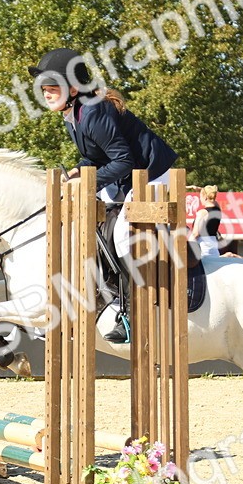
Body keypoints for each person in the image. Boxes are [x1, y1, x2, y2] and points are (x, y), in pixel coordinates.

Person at [29, 46, 178, 344]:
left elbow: (122, 160)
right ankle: (100, 298)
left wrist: (89, 183)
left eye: (52, 86)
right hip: (128, 174)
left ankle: (133, 313)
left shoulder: (93, 111)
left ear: (73, 87)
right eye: (43, 87)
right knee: (94, 230)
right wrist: (78, 172)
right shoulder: (74, 113)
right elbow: (97, 156)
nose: (45, 93)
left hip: (150, 172)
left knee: (122, 233)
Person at [188, 185, 222, 258]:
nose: (200, 199)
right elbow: (214, 202)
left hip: (203, 250)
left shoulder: (202, 213)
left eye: (200, 197)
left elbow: (195, 234)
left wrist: (187, 246)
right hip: (214, 250)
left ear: (205, 197)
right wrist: (202, 190)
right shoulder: (217, 209)